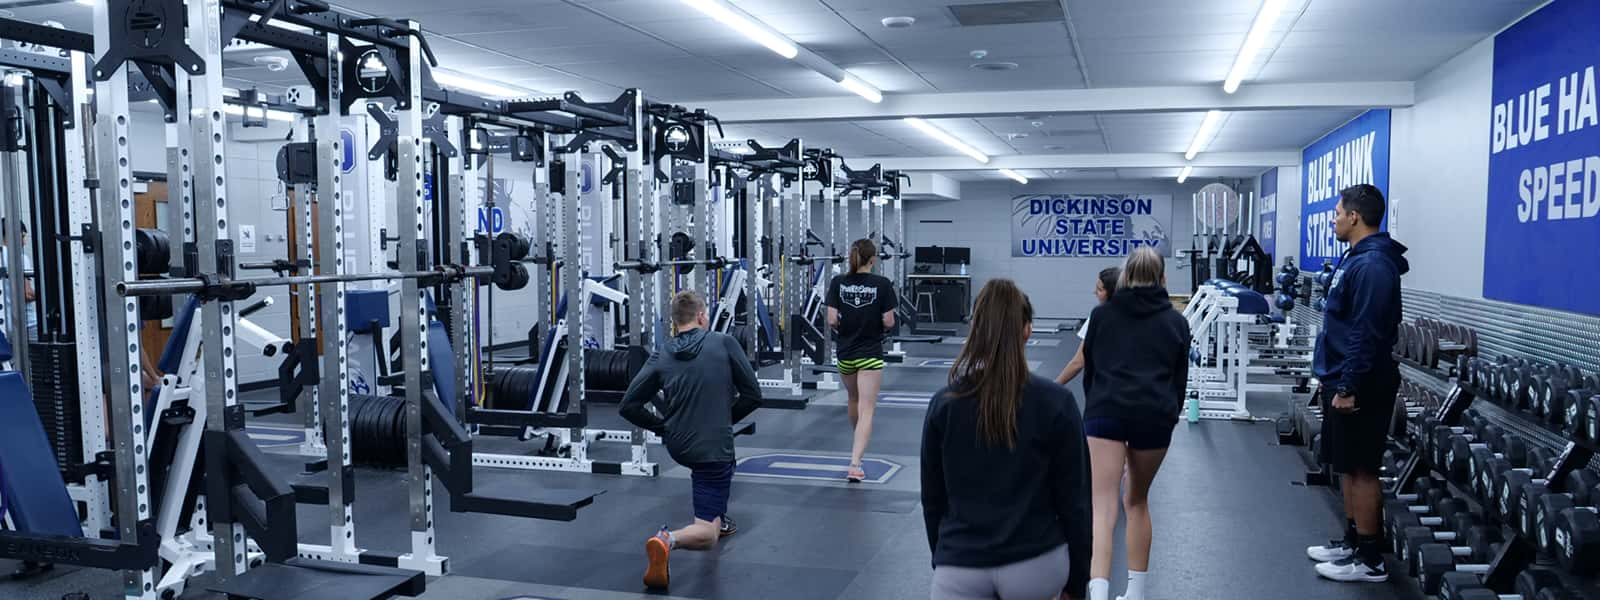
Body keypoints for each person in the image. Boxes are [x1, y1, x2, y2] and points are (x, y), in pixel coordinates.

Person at [921, 278, 1090, 600]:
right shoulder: (1057, 403)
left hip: (960, 567)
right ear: (1027, 330)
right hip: (1036, 565)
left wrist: (945, 558)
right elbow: (1076, 503)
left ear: (975, 327)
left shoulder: (944, 404)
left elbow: (933, 500)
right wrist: (1077, 584)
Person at [619, 290, 762, 590]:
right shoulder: (724, 342)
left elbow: (628, 406)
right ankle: (668, 539)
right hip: (711, 448)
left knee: (715, 478)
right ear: (700, 317)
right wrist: (724, 421)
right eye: (706, 315)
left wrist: (665, 428)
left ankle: (718, 517)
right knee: (706, 535)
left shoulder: (662, 352)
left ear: (675, 323)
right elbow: (752, 395)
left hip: (679, 445)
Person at [1305, 184, 1408, 583]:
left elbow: (1365, 332)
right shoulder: (1358, 259)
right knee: (1347, 465)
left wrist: (1348, 387)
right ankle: (1351, 543)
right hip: (1343, 378)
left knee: (1363, 468)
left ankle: (1370, 559)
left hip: (1362, 382)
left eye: (1337, 212)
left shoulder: (1373, 266)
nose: (1333, 219)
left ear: (1354, 216)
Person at [1081, 247, 1190, 600]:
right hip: (1154, 416)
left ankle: (1097, 593)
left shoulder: (1102, 316)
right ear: (1162, 280)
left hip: (1106, 412)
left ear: (1125, 277)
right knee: (1137, 502)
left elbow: (1091, 371)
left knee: (1103, 505)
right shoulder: (1177, 322)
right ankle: (1136, 593)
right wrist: (1168, 416)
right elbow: (1179, 381)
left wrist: (1095, 406)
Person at [826, 238, 897, 482]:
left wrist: (849, 325)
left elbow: (832, 320)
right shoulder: (882, 284)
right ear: (873, 259)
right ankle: (855, 463)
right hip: (869, 353)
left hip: (845, 353)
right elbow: (889, 322)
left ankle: (858, 442)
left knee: (854, 399)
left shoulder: (838, 283)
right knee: (867, 410)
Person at [1054, 267, 1119, 386]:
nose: (1094, 292)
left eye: (1099, 289)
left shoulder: (1098, 317)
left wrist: (1054, 386)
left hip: (1106, 392)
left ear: (1111, 293)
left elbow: (1078, 362)